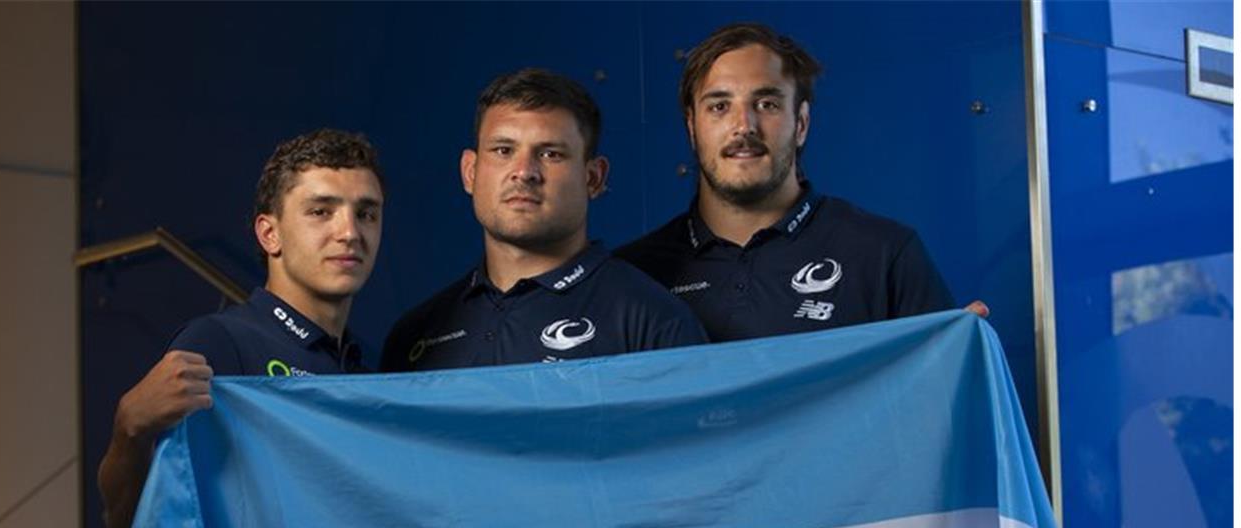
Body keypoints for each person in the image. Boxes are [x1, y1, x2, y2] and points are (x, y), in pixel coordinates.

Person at [614, 22, 986, 343]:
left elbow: (935, 406)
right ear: (692, 128)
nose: (744, 126)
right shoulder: (631, 276)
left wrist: (955, 357)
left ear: (802, 123)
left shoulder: (884, 254)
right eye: (719, 106)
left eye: (767, 104)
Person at [99, 129, 384, 528]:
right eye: (321, 211)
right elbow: (128, 527)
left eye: (367, 213)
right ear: (270, 234)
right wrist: (129, 427)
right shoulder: (219, 345)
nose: (350, 232)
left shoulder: (368, 377)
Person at [381, 68, 707, 371]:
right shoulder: (414, 336)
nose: (524, 172)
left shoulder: (652, 321)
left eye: (550, 154)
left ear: (593, 179)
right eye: (503, 150)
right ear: (470, 172)